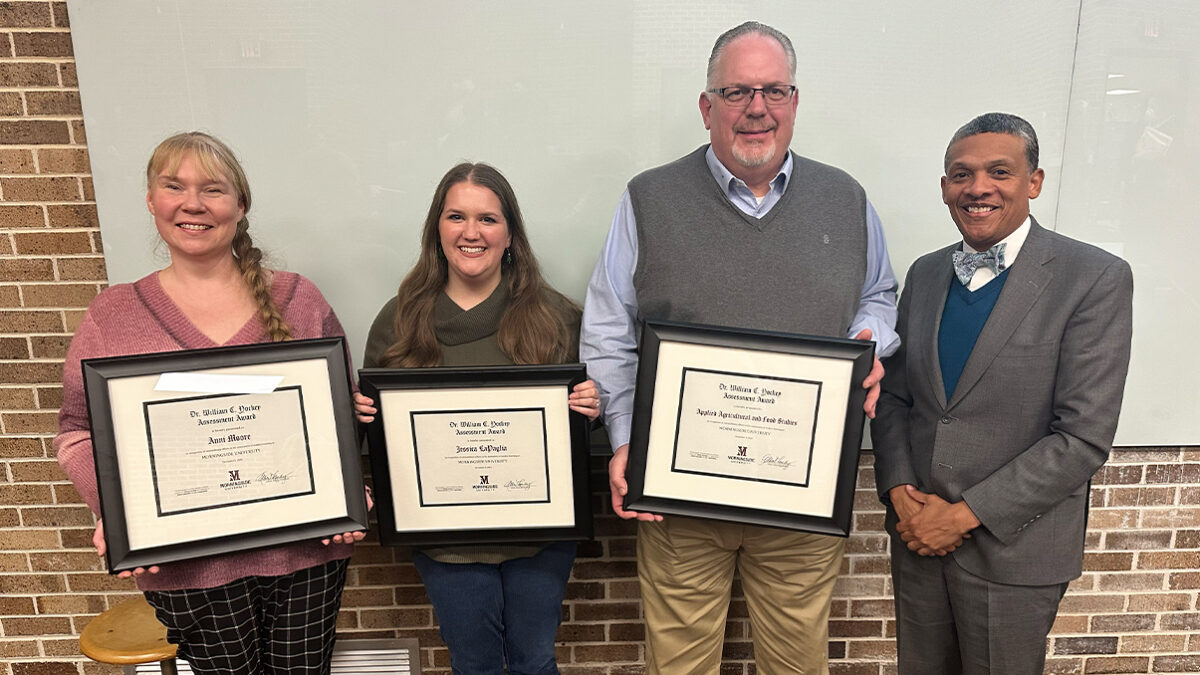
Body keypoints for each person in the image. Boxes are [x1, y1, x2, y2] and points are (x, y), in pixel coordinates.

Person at [580, 21, 899, 674]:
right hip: (679, 498)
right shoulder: (649, 199)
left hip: (801, 496)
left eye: (773, 91)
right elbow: (609, 328)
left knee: (797, 662)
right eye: (737, 92)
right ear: (706, 107)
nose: (757, 108)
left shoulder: (847, 199)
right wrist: (622, 436)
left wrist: (869, 340)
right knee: (680, 665)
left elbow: (879, 295)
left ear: (794, 101)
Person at [54, 132, 363, 675]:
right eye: (174, 186)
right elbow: (76, 430)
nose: (192, 203)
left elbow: (341, 408)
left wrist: (346, 488)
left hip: (306, 554)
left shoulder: (299, 298)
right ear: (152, 200)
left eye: (213, 189)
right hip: (184, 561)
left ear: (240, 207)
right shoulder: (114, 314)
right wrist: (115, 510)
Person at [871, 112, 1134, 674]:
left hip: (1014, 552)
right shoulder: (925, 274)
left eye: (1000, 171)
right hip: (918, 541)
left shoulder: (1093, 277)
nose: (978, 187)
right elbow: (895, 398)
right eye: (960, 174)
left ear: (1033, 182)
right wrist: (897, 490)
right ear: (945, 188)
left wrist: (963, 516)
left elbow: (1082, 436)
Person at [354, 162, 600, 675]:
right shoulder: (398, 319)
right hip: (445, 538)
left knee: (535, 662)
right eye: (456, 217)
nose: (471, 232)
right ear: (436, 229)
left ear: (510, 233)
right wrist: (361, 414)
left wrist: (592, 408)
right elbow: (376, 428)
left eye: (488, 219)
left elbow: (581, 423)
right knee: (475, 664)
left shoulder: (555, 316)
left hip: (540, 533)